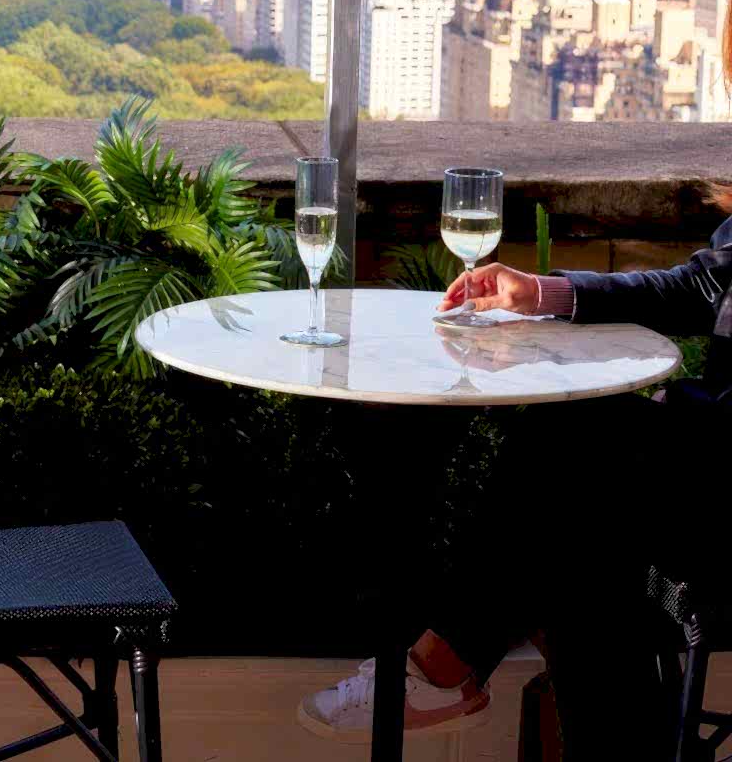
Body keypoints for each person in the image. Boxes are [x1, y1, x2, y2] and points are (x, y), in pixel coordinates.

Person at [297, 197, 732, 751]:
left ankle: (443, 666)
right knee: (576, 531)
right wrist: (544, 293)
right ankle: (444, 670)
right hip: (700, 473)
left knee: (573, 455)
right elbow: (704, 286)